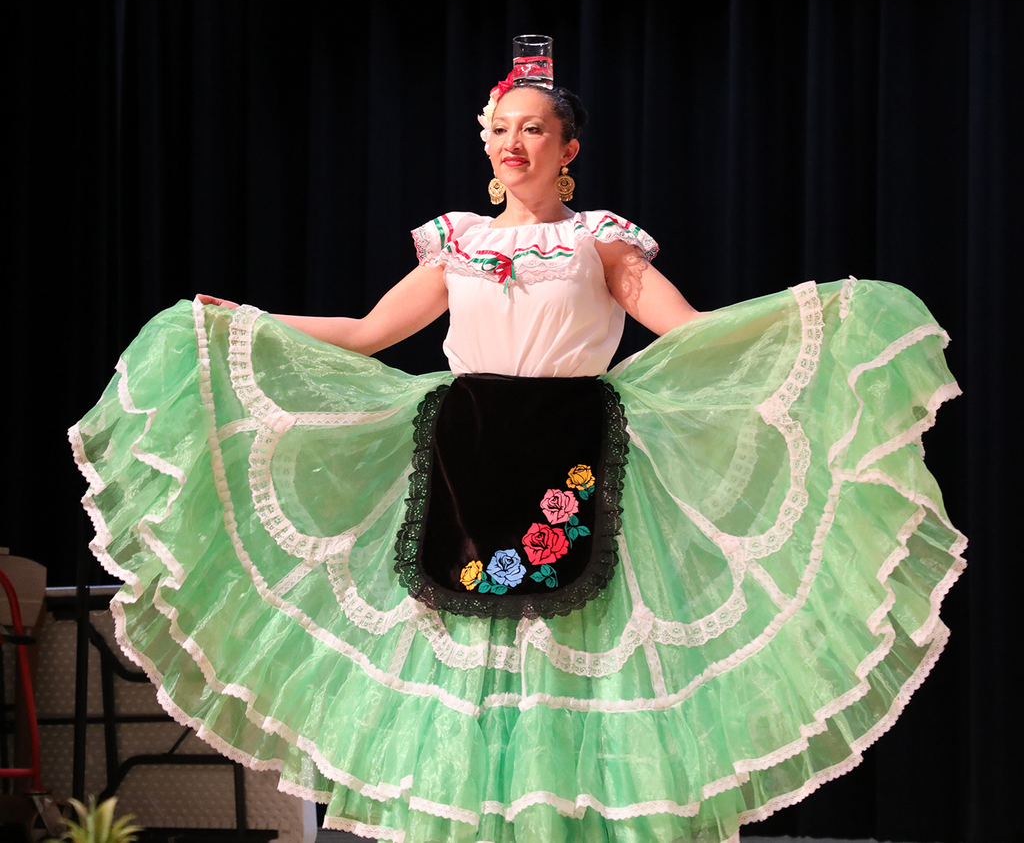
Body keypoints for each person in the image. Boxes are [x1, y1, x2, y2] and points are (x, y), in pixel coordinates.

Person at [71, 63, 966, 843]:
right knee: (468, 663)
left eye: (532, 128)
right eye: (500, 128)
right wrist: (245, 323)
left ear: (567, 146)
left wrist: (801, 325)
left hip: (579, 459)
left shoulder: (598, 239)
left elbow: (693, 335)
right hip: (466, 458)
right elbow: (367, 332)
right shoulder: (457, 240)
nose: (513, 143)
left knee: (578, 648)